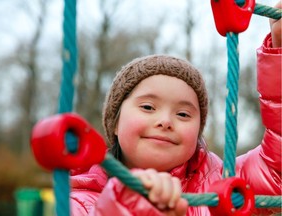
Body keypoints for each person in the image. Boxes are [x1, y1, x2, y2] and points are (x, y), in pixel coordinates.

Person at [70, 2, 281, 215]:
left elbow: (276, 168)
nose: (165, 121)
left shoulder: (224, 182)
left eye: (183, 114)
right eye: (148, 107)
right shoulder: (81, 203)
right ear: (115, 123)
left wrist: (279, 47)